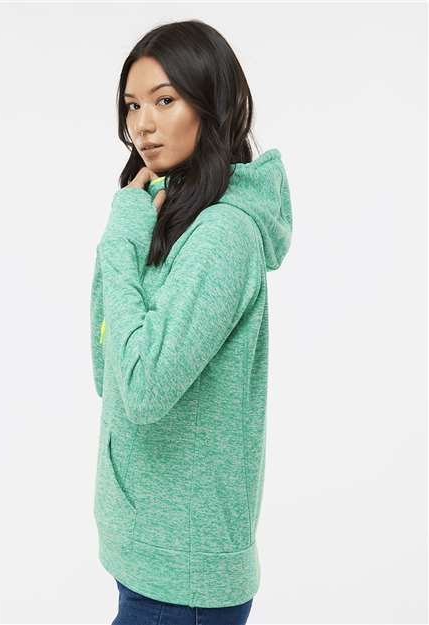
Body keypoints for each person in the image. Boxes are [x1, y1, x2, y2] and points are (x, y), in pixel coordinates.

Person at [90, 19, 293, 625]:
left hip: (182, 581)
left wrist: (121, 237)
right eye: (132, 106)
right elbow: (108, 369)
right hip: (149, 560)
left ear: (213, 103)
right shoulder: (169, 215)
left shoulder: (222, 235)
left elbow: (142, 387)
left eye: (164, 100)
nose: (142, 125)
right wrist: (131, 228)